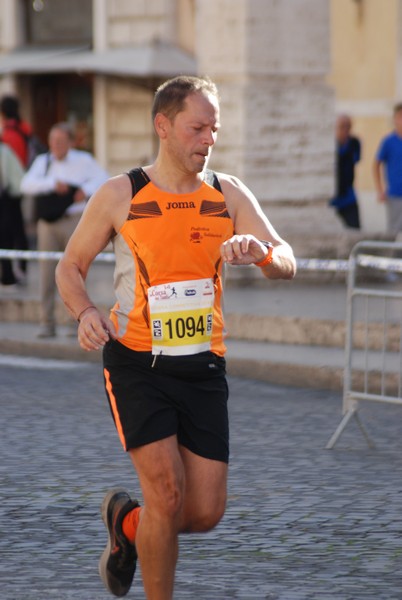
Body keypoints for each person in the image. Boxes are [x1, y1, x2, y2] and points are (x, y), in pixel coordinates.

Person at [55, 75, 296, 599]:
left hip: (203, 364)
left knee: (203, 512)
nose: (208, 140)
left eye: (214, 129)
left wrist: (261, 252)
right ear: (163, 127)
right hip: (137, 363)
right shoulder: (123, 193)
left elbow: (287, 260)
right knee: (166, 493)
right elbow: (70, 266)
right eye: (197, 128)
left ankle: (129, 525)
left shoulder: (226, 193)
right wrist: (84, 312)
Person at [20, 122, 109, 338]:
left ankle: (75, 323)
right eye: (53, 141)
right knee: (46, 273)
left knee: (76, 272)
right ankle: (46, 322)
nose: (56, 145)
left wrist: (84, 191)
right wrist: (52, 183)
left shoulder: (84, 160)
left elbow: (105, 180)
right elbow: (26, 184)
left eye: (60, 141)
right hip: (48, 224)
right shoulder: (43, 162)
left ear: (70, 142)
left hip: (74, 221)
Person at [0, 94, 33, 280]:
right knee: (19, 229)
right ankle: (22, 268)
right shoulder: (24, 130)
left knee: (7, 233)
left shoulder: (8, 135)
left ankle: (10, 274)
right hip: (23, 183)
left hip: (10, 189)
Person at [373, 103, 402, 237]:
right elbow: (376, 164)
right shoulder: (388, 141)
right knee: (394, 232)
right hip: (395, 194)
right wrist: (380, 190)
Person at [0, 142, 25, 289]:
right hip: (8, 200)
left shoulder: (5, 151)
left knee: (7, 238)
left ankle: (9, 276)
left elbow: (17, 180)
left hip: (7, 201)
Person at [330, 114, 361, 229]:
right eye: (342, 127)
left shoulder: (354, 143)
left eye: (348, 127)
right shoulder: (329, 145)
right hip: (332, 198)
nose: (345, 130)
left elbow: (356, 160)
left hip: (348, 196)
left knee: (354, 229)